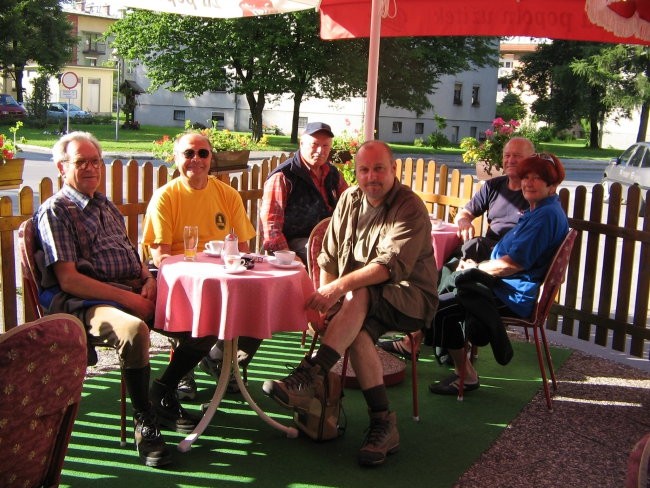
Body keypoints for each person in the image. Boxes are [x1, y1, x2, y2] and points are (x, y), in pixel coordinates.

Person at [35, 131, 215, 467]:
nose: (91, 168)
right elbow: (70, 279)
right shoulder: (57, 210)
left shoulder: (105, 205)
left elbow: (131, 256)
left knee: (205, 320)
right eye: (80, 162)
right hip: (86, 302)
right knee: (134, 331)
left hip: (130, 288)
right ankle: (144, 420)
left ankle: (163, 389)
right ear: (62, 167)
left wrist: (147, 279)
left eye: (95, 160)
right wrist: (129, 300)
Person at [262, 140, 438, 466]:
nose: (372, 176)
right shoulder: (348, 199)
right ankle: (383, 422)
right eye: (364, 170)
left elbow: (388, 267)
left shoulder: (409, 206)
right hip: (363, 300)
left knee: (361, 293)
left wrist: (335, 291)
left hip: (410, 296)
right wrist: (325, 307)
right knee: (356, 331)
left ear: (393, 169)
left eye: (379, 168)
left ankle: (310, 373)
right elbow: (327, 258)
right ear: (355, 172)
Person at [379, 136, 535, 360]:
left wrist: (477, 264)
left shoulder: (533, 194)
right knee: (447, 269)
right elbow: (465, 211)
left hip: (501, 268)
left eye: (517, 156)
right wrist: (464, 220)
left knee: (455, 267)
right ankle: (434, 340)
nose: (510, 160)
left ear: (532, 160)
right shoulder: (494, 186)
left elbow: (520, 256)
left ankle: (421, 338)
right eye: (507, 155)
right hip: (488, 256)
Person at [428, 152, 569, 395]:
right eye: (526, 177)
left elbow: (512, 264)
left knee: (438, 308)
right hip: (509, 286)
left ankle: (466, 375)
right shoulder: (542, 209)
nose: (528, 183)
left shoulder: (544, 216)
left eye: (538, 178)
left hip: (513, 295)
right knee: (450, 276)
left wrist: (476, 268)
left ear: (553, 185)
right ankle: (446, 343)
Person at [142, 132, 257, 395]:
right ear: (176, 159)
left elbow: (243, 248)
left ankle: (218, 359)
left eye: (202, 153)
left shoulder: (227, 195)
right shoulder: (165, 197)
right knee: (198, 307)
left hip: (224, 275)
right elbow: (161, 257)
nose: (196, 159)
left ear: (210, 158)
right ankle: (187, 368)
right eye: (188, 154)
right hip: (181, 278)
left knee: (256, 305)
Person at [260, 121, 348, 263]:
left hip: (329, 237)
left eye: (325, 146)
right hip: (295, 243)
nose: (320, 151)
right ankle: (325, 286)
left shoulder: (332, 173)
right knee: (321, 251)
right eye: (314, 145)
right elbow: (271, 223)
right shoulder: (284, 176)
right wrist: (286, 254)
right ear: (301, 144)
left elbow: (349, 204)